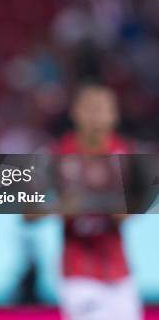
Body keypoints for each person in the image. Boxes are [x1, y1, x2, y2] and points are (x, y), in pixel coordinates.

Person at [33, 84, 142, 320]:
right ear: (76, 112)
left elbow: (135, 206)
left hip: (119, 272)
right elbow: (28, 212)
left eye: (104, 109)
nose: (97, 116)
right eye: (91, 109)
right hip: (79, 273)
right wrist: (60, 207)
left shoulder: (125, 153)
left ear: (114, 115)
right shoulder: (57, 154)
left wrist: (121, 209)